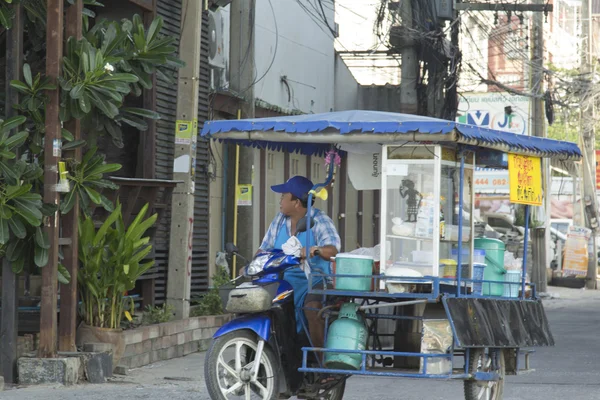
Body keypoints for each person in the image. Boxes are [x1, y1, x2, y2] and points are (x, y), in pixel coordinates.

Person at [258, 175, 340, 353]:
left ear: (296, 202)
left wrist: (315, 249)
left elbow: (333, 250)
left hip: (314, 281)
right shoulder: (279, 220)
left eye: (283, 196)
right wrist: (253, 264)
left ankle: (320, 362)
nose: (280, 200)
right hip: (282, 279)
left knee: (312, 309)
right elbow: (264, 249)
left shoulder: (320, 220)